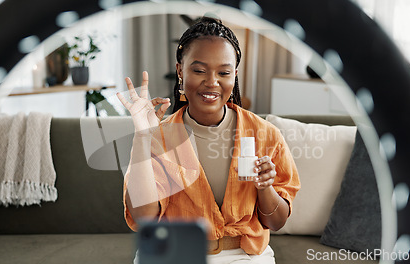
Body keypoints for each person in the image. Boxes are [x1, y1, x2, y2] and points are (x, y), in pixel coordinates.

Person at [117, 16, 300, 264]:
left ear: (234, 75)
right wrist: (142, 136)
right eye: (199, 70)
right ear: (180, 70)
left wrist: (264, 186)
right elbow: (143, 217)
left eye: (223, 72)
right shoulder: (159, 136)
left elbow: (276, 222)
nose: (212, 82)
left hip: (244, 256)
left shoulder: (265, 134)